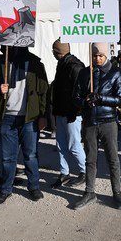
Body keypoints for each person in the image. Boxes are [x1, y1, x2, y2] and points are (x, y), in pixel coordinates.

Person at [0, 46, 49, 206]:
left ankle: (34, 187)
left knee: (31, 155)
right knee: (7, 158)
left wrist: (43, 115)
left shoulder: (35, 63)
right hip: (7, 117)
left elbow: (44, 91)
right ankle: (5, 190)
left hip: (30, 117)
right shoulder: (2, 63)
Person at [72, 43, 121, 210]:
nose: (97, 58)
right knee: (90, 159)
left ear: (106, 56)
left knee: (113, 158)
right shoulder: (84, 73)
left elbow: (120, 98)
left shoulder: (115, 73)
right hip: (89, 121)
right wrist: (85, 101)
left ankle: (117, 192)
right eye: (95, 55)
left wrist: (101, 98)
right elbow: (76, 97)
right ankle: (89, 192)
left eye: (100, 55)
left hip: (108, 121)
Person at [50, 39, 86, 188]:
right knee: (61, 145)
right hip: (61, 112)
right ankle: (64, 172)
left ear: (58, 52)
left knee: (74, 144)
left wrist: (76, 110)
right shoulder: (63, 64)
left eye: (54, 51)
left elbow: (80, 92)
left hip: (72, 113)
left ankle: (85, 171)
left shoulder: (74, 66)